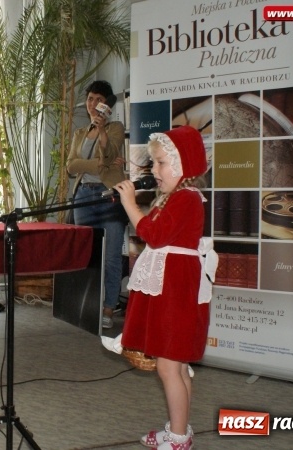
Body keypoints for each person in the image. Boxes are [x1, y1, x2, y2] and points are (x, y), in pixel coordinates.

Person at [112, 126, 210, 450]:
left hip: (177, 289)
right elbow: (155, 230)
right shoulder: (175, 197)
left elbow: (152, 235)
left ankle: (179, 438)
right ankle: (178, 430)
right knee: (175, 366)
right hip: (173, 286)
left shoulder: (186, 198)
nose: (154, 170)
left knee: (170, 366)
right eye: (153, 163)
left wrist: (129, 203)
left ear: (183, 164)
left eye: (160, 163)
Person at [66, 80, 128, 329]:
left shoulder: (115, 127)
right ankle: (89, 305)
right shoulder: (80, 133)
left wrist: (102, 132)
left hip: (109, 195)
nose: (93, 105)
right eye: (90, 99)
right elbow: (71, 166)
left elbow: (111, 152)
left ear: (107, 104)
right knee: (88, 256)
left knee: (112, 258)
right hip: (83, 198)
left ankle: (109, 308)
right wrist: (100, 164)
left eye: (98, 100)